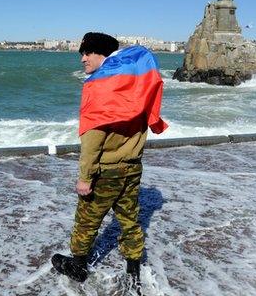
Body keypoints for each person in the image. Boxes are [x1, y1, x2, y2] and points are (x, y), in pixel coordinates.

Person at [51, 32, 168, 291]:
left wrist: (85, 177)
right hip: (132, 166)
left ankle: (79, 265)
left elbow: (93, 140)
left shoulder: (101, 87)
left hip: (105, 171)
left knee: (86, 221)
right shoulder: (135, 84)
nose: (82, 59)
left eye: (87, 53)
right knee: (130, 219)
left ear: (101, 53)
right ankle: (134, 268)